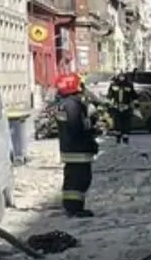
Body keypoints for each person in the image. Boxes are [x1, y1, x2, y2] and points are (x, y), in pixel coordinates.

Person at [53, 73, 99, 218]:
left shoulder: (63, 104)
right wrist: (91, 133)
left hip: (70, 149)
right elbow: (77, 127)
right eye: (80, 84)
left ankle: (71, 206)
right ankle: (75, 208)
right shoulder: (73, 105)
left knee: (72, 179)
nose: (82, 88)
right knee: (80, 179)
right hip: (78, 149)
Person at [105, 73, 137, 144]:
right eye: (120, 77)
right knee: (117, 124)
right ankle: (118, 138)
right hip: (117, 107)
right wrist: (107, 103)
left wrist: (136, 103)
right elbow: (109, 95)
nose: (121, 78)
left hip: (126, 107)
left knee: (126, 124)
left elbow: (133, 95)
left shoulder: (129, 85)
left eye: (123, 77)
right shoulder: (113, 85)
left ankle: (125, 138)